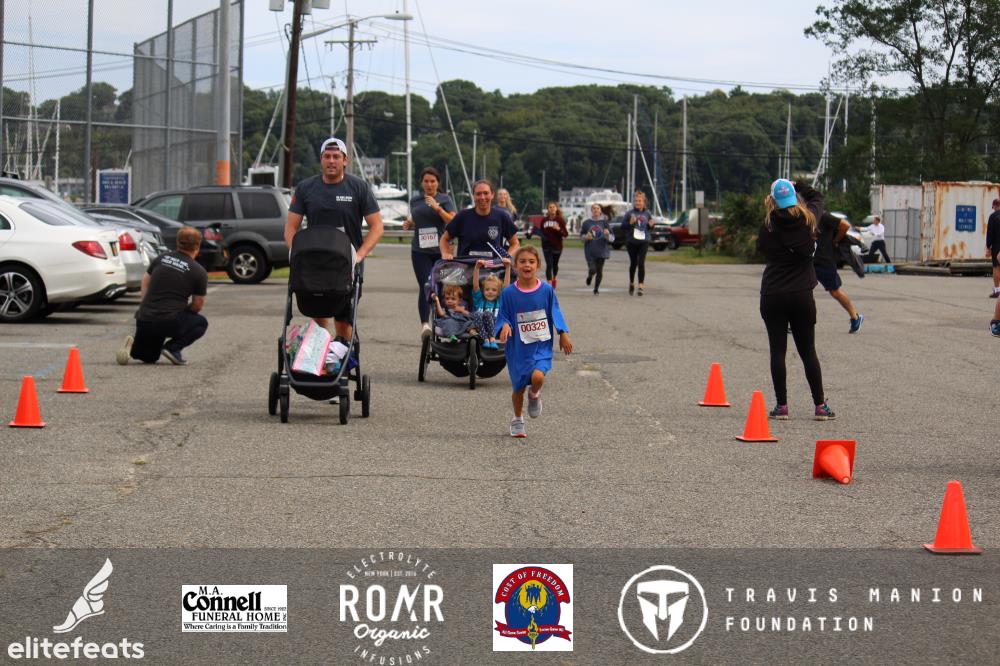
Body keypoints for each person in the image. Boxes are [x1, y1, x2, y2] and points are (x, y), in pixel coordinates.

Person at [284, 137, 384, 344]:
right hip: (314, 262)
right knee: (318, 314)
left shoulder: (358, 187)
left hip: (347, 262)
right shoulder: (306, 188)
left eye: (336, 157)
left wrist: (360, 255)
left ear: (345, 160)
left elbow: (377, 227)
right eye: (327, 156)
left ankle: (343, 355)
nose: (331, 161)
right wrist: (295, 251)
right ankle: (320, 356)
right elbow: (291, 226)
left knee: (343, 319)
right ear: (321, 159)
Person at [756, 179, 835, 421]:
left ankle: (782, 406)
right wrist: (798, 184)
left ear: (772, 200)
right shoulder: (809, 219)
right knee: (808, 351)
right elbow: (817, 198)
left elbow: (761, 249)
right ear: (793, 197)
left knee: (777, 351)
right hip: (802, 294)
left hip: (773, 293)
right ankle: (820, 405)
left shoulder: (768, 226)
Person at [497, 246, 573, 438]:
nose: (527, 265)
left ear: (538, 265)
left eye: (531, 262)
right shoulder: (508, 293)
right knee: (518, 387)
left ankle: (534, 394)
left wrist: (563, 332)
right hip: (518, 349)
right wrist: (504, 326)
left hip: (540, 346)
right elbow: (503, 315)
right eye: (522, 261)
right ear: (515, 266)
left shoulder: (546, 290)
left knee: (538, 377)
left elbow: (555, 311)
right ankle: (517, 419)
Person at [116, 226, 208, 366]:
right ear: (197, 246)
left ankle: (134, 345)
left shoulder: (161, 258)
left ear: (177, 242)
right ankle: (173, 348)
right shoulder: (199, 271)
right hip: (168, 322)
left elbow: (145, 280)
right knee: (201, 323)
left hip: (144, 319)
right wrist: (184, 313)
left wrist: (146, 305)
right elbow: (197, 305)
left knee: (148, 358)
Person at [403, 166, 456, 340]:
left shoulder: (444, 199)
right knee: (425, 286)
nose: (429, 184)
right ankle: (425, 324)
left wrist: (437, 208)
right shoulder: (415, 200)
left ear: (438, 183)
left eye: (433, 181)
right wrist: (409, 223)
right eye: (426, 181)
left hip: (441, 251)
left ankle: (442, 323)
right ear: (421, 183)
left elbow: (453, 221)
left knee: (442, 287)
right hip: (420, 251)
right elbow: (417, 218)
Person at [439, 179, 520, 261]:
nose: (482, 197)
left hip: (494, 267)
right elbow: (444, 239)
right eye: (478, 194)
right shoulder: (462, 216)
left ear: (492, 195)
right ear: (473, 196)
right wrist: (446, 253)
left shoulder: (501, 216)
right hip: (467, 266)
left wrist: (507, 258)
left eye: (486, 193)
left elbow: (515, 243)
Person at [814, 212, 864, 333]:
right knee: (800, 291)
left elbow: (845, 225)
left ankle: (855, 317)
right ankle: (795, 322)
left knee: (835, 292)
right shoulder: (802, 215)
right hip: (808, 261)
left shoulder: (824, 216)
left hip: (824, 260)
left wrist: (836, 240)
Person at [470, 257, 511, 349]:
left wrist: (508, 268)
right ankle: (486, 340)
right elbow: (475, 286)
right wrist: (477, 268)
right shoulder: (479, 300)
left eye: (494, 290)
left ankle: (492, 339)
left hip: (496, 328)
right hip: (481, 327)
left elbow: (506, 286)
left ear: (498, 292)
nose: (490, 292)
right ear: (483, 290)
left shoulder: (500, 300)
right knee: (477, 314)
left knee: (488, 314)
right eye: (487, 289)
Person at [623, 190, 654, 295]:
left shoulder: (647, 213)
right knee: (633, 263)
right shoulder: (629, 213)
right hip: (631, 241)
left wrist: (651, 225)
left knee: (641, 262)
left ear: (644, 202)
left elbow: (650, 227)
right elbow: (623, 227)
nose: (637, 203)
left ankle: (641, 285)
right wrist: (630, 223)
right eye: (636, 201)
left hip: (644, 241)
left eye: (640, 201)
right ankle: (632, 282)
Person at [581, 203, 613, 295]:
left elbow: (612, 238)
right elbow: (581, 237)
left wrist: (607, 235)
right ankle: (590, 276)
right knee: (592, 269)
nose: (596, 210)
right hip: (590, 251)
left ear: (600, 211)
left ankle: (596, 289)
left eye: (597, 208)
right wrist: (586, 237)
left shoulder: (604, 223)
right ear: (591, 211)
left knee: (599, 270)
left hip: (601, 250)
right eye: (594, 208)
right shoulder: (586, 223)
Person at [538, 201, 569, 288]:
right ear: (547, 209)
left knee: (555, 265)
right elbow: (541, 232)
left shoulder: (560, 220)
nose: (552, 209)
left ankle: (554, 277)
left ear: (556, 209)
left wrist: (559, 229)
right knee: (549, 265)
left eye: (553, 207)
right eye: (550, 207)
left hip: (557, 246)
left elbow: (565, 234)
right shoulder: (544, 220)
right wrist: (540, 235)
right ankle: (549, 285)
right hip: (546, 246)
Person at [986, 198, 1000, 299]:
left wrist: (988, 246)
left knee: (996, 267)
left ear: (995, 206)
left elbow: (990, 233)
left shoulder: (993, 217)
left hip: (996, 245)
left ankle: (997, 290)